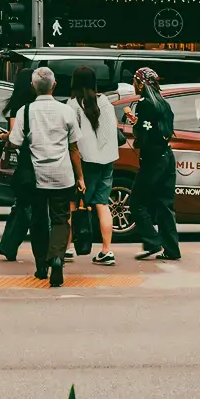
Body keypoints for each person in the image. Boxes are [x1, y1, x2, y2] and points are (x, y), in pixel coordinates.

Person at [5, 67, 84, 286]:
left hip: (35, 177)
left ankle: (41, 266)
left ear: (32, 87)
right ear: (54, 86)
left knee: (38, 220)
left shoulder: (25, 111)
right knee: (60, 218)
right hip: (62, 175)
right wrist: (80, 177)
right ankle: (57, 257)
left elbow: (15, 142)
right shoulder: (66, 110)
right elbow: (74, 148)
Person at [68, 65, 119, 266]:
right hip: (107, 160)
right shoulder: (105, 102)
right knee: (102, 203)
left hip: (85, 161)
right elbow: (111, 127)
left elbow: (72, 139)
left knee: (73, 204)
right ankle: (107, 250)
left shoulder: (72, 105)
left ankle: (68, 247)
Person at [129, 67, 181, 261]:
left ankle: (152, 241)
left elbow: (143, 135)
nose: (134, 85)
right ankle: (172, 249)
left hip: (152, 160)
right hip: (167, 156)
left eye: (135, 81)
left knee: (137, 203)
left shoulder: (144, 103)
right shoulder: (163, 103)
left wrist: (136, 130)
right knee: (165, 205)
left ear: (141, 83)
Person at [0, 70, 40, 263]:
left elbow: (15, 138)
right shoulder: (36, 106)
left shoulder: (18, 108)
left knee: (22, 205)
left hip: (24, 163)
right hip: (38, 160)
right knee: (28, 205)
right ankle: (9, 245)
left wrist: (6, 136)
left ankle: (8, 245)